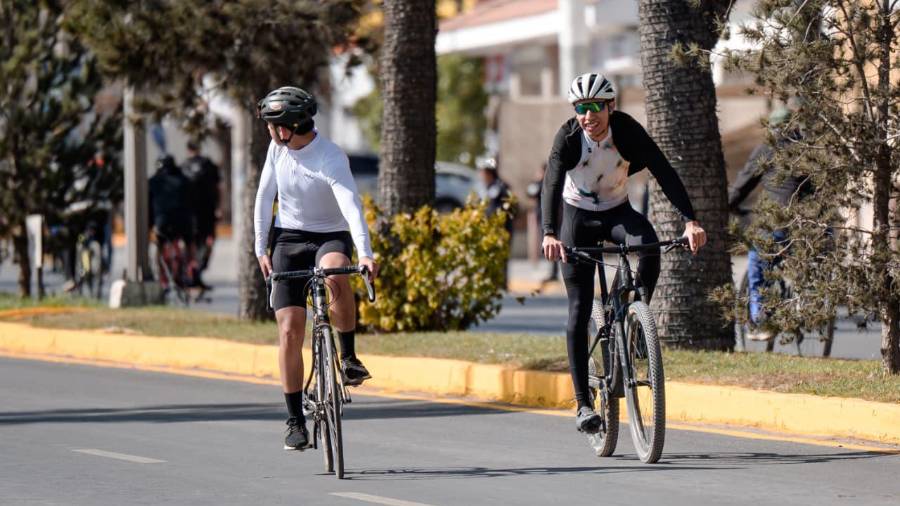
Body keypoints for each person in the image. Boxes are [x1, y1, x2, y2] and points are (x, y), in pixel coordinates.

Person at [542, 72, 707, 433]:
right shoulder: (569, 137)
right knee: (579, 306)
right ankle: (583, 404)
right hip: (576, 219)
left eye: (596, 107)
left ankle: (627, 309)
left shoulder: (627, 131)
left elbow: (663, 170)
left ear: (610, 107)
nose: (589, 116)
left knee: (648, 248)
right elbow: (552, 182)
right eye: (582, 108)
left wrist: (690, 220)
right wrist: (549, 233)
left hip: (617, 213)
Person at [253, 86, 378, 451]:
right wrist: (261, 247)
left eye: (274, 125)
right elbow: (264, 197)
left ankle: (349, 356)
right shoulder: (277, 151)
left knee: (336, 272)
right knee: (290, 331)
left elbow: (351, 205)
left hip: (329, 235)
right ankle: (295, 420)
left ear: (290, 126)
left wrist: (366, 253)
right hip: (289, 239)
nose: (271, 132)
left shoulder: (330, 156)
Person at [728, 107, 811, 342]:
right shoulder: (808, 150)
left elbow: (743, 185)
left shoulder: (767, 149)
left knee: (758, 269)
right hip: (805, 226)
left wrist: (729, 205)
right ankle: (800, 304)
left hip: (774, 224)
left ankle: (760, 323)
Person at [149, 155, 196, 288]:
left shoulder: (153, 181)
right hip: (184, 222)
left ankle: (159, 275)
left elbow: (149, 206)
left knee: (158, 246)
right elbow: (193, 202)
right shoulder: (185, 180)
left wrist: (150, 225)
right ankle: (192, 268)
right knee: (189, 243)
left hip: (162, 222)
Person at [183, 141, 221, 291]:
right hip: (208, 210)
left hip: (190, 213)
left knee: (192, 243)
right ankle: (199, 268)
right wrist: (219, 207)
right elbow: (218, 188)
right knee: (208, 241)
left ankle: (192, 272)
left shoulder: (184, 166)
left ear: (188, 150)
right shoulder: (209, 165)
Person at [478, 157, 515, 289]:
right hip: (490, 229)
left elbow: (508, 207)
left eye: (483, 173)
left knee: (502, 256)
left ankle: (502, 283)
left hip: (502, 228)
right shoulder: (487, 188)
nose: (481, 176)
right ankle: (492, 282)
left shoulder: (501, 187)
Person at [527, 162, 559, 290]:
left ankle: (553, 272)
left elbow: (532, 192)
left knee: (552, 246)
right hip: (542, 219)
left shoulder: (546, 184)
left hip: (551, 221)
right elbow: (529, 193)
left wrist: (538, 180)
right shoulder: (540, 184)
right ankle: (552, 271)